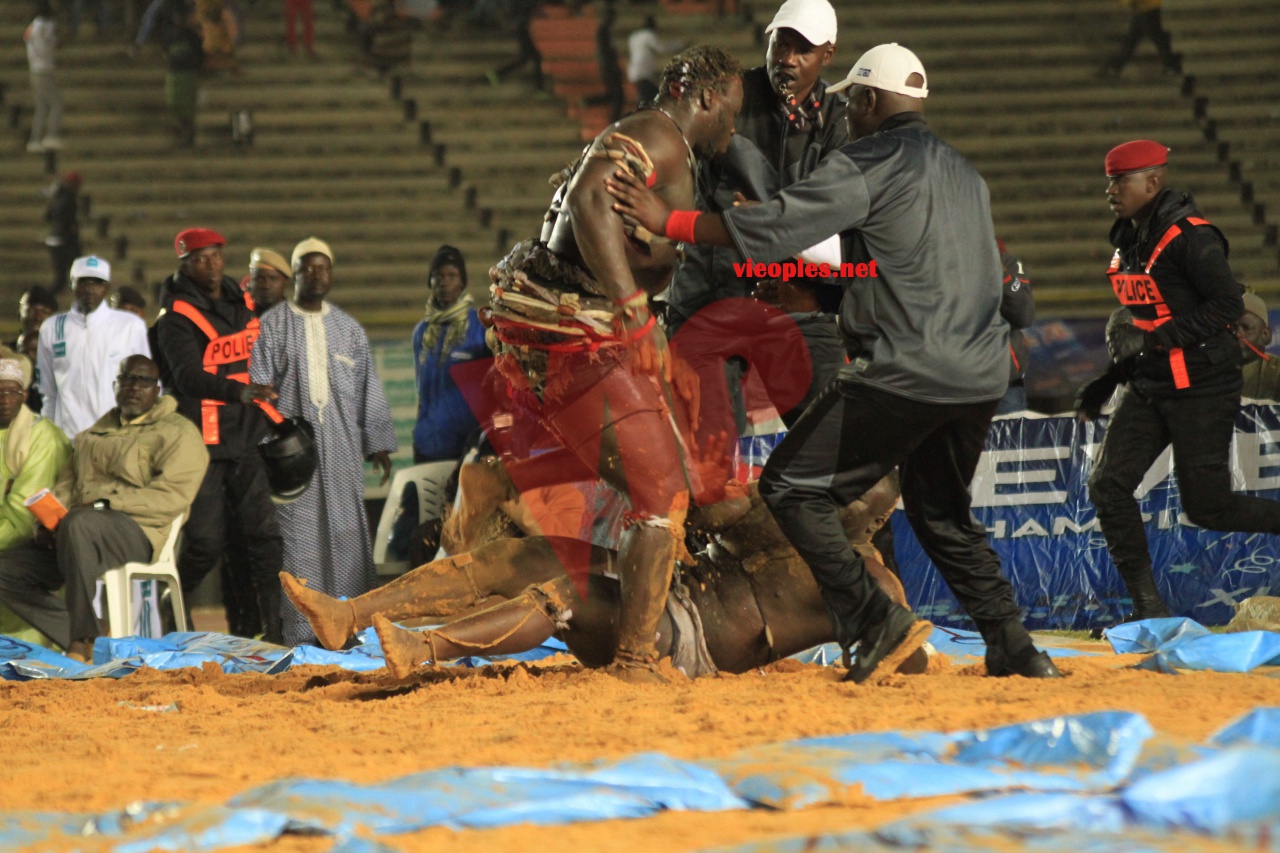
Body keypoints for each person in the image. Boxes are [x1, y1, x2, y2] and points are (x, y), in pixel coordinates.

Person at [607, 43, 1059, 684]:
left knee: (791, 487)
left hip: (909, 370)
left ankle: (874, 620)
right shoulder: (964, 175)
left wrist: (669, 220)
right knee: (941, 515)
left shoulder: (871, 158)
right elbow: (897, 260)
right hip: (980, 374)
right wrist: (815, 293)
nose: (845, 113)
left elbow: (780, 225)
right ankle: (1015, 646)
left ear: (870, 101)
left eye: (852, 101)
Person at [469, 46, 743, 683]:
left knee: (678, 485)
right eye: (728, 111)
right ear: (703, 98)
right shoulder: (661, 137)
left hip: (567, 331)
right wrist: (632, 309)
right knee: (663, 495)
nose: (730, 128)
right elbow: (593, 196)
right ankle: (632, 660)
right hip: (585, 332)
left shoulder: (646, 137)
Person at [280, 475, 917, 680]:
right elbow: (698, 498)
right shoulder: (786, 509)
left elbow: (906, 656)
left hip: (686, 649)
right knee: (529, 555)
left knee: (562, 598)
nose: (838, 489)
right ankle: (349, 615)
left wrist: (869, 640)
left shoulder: (868, 581)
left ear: (880, 512)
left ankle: (426, 649)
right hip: (659, 598)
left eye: (855, 490)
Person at [1083, 139, 1280, 625]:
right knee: (1108, 485)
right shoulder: (1128, 238)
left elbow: (1226, 307)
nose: (1110, 189)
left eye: (1120, 180)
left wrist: (1152, 342)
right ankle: (1148, 610)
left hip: (1203, 386)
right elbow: (1146, 305)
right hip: (1151, 386)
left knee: (1209, 508)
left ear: (1152, 182)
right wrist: (1124, 333)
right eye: (1109, 180)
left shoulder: (1192, 236)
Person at [663, 0, 845, 454]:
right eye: (780, 42)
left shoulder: (839, 120)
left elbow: (840, 217)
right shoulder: (728, 96)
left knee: (830, 444)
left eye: (802, 49)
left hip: (796, 296)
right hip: (712, 293)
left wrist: (772, 223)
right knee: (707, 452)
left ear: (828, 55)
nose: (786, 57)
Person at [0, 355, 207, 660]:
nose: (133, 387)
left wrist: (103, 504)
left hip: (137, 532)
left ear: (157, 389)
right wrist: (46, 523)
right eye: (126, 380)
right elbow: (66, 488)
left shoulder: (177, 432)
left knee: (81, 522)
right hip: (77, 531)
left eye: (143, 381)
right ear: (115, 386)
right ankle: (91, 630)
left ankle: (81, 641)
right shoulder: (92, 434)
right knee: (6, 569)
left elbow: (172, 496)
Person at [249, 237, 397, 647]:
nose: (316, 275)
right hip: (291, 460)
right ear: (293, 274)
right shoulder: (272, 325)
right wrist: (270, 445)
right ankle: (301, 636)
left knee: (349, 536)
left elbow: (367, 388)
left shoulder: (348, 329)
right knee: (297, 539)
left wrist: (377, 443)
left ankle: (354, 629)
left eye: (323, 268)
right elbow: (258, 387)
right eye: (307, 268)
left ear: (331, 274)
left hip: (343, 453)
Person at [154, 227, 286, 643]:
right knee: (205, 545)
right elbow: (188, 377)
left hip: (244, 436)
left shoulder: (238, 299)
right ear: (184, 265)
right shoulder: (175, 317)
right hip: (201, 442)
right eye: (200, 259)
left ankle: (274, 629)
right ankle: (171, 608)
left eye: (216, 256)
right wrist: (237, 391)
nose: (211, 265)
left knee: (264, 535)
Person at [0, 347, 72, 644]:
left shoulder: (43, 438)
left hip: (33, 547)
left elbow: (22, 517)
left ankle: (76, 636)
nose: (4, 401)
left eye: (11, 392)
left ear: (24, 395)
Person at [38, 255, 152, 440]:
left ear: (107, 287)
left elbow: (148, 386)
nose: (90, 289)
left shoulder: (130, 325)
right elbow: (49, 394)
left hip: (114, 441)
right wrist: (47, 439)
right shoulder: (52, 327)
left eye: (97, 282)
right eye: (84, 282)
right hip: (67, 442)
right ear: (71, 284)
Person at [411, 245, 489, 464]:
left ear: (462, 282)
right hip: (428, 447)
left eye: (452, 275)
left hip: (466, 448)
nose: (444, 282)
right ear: (430, 282)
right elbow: (422, 392)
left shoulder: (480, 328)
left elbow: (494, 390)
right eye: (438, 276)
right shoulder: (421, 332)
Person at [995, 242, 1035, 415]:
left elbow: (1024, 315)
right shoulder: (937, 261)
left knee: (1011, 442)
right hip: (953, 386)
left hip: (1004, 387)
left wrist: (1003, 275)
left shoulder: (1005, 261)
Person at [1099, 0, 1180, 78]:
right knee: (1137, 39)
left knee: (1152, 39)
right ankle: (1115, 67)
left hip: (1147, 10)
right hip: (1145, 9)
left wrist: (1125, 2)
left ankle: (1115, 67)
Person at [25, 0, 63, 154]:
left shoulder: (32, 26)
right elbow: (47, 46)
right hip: (43, 70)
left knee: (41, 107)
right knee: (56, 104)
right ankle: (51, 135)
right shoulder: (44, 27)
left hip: (34, 69)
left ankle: (35, 139)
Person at [627, 15, 680, 107]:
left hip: (634, 71)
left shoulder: (634, 37)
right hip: (643, 72)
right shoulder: (649, 36)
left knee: (646, 96)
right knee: (655, 97)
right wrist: (679, 46)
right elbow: (661, 48)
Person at [1237, 292, 1280, 401]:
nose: (1238, 334)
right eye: (1233, 328)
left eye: (1246, 328)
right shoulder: (1210, 369)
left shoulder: (1276, 372)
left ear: (1265, 334)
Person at [43, 172, 81, 292]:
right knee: (67, 277)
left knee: (62, 278)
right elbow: (68, 220)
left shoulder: (57, 197)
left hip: (55, 239)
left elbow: (47, 216)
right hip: (64, 241)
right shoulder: (68, 199)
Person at [247, 248, 291, 314]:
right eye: (260, 279)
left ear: (285, 282)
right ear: (250, 283)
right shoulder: (240, 315)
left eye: (273, 278)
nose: (266, 286)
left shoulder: (295, 317)